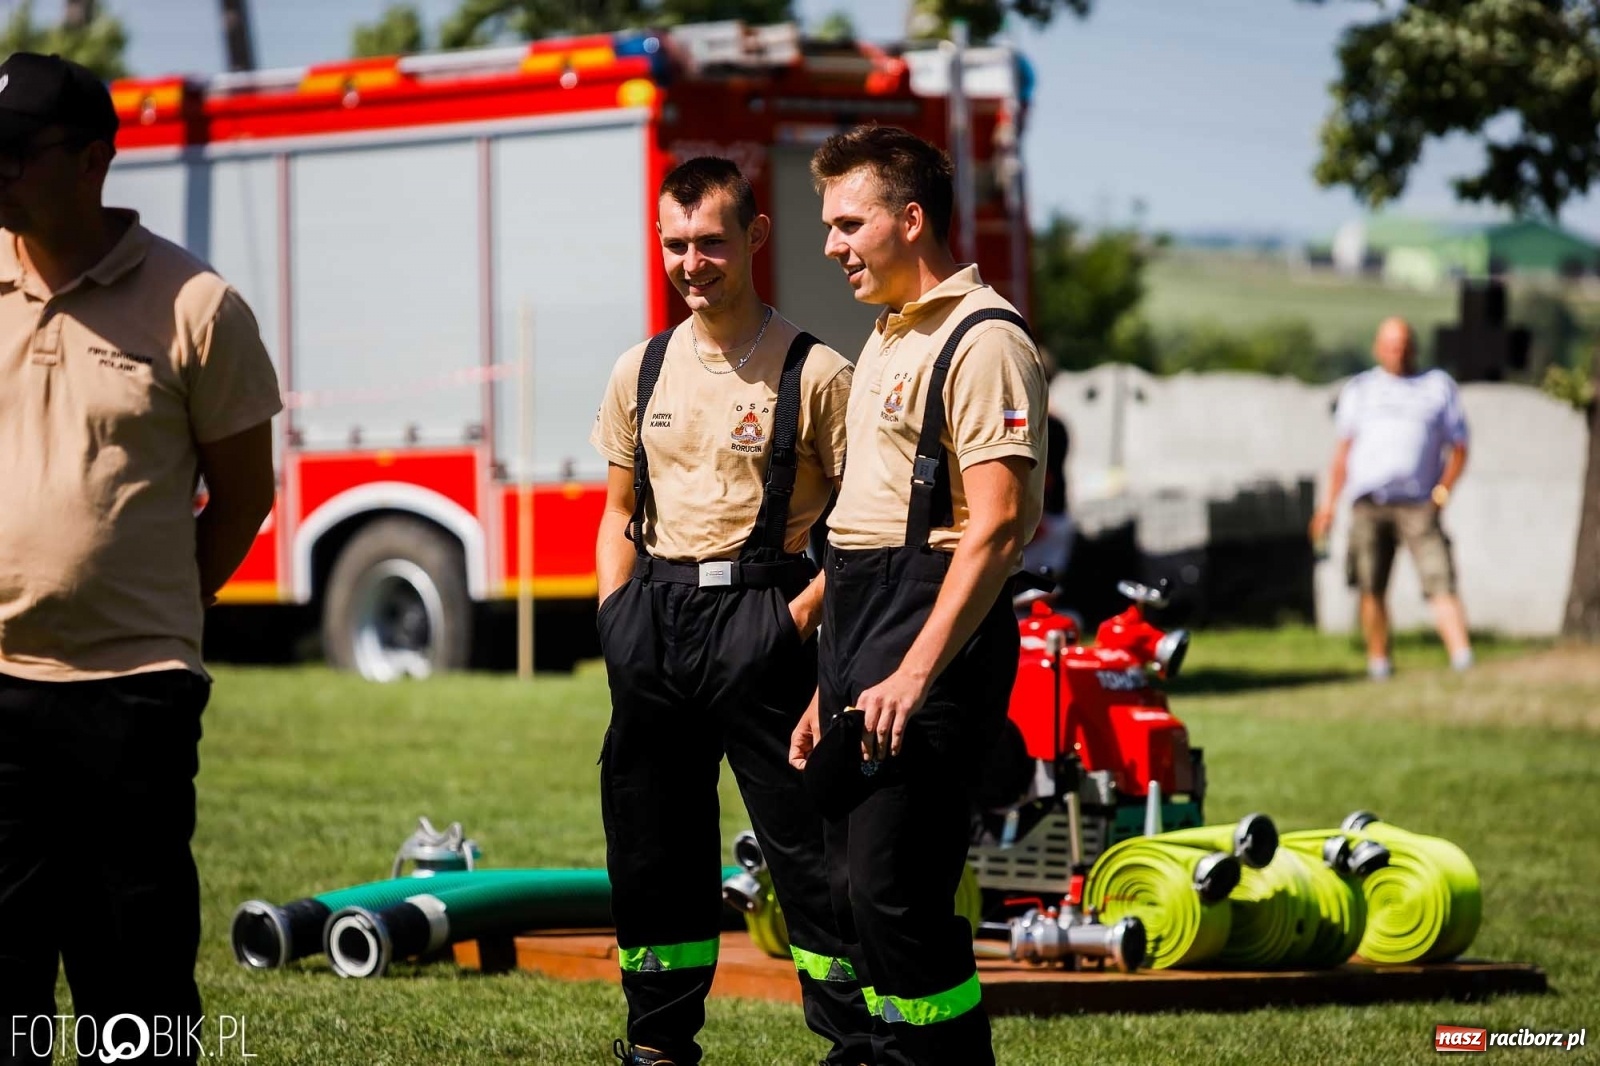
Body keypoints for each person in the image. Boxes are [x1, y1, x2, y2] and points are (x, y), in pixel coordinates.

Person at [0, 53, 280, 1064]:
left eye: (15, 155)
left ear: (91, 162)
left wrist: (161, 605)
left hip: (133, 692)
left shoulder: (197, 305)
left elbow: (245, 493)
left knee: (132, 969)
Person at [590, 157, 872, 1066]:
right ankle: (659, 1043)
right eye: (675, 245)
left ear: (752, 238)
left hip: (769, 620)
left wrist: (792, 621)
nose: (691, 262)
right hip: (657, 625)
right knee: (651, 852)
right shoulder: (641, 368)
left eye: (710, 242)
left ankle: (852, 1044)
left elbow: (868, 527)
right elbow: (615, 514)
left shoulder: (819, 371)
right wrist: (615, 617)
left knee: (812, 857)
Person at [790, 125, 1049, 1066]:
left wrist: (911, 672)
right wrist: (831, 684)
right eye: (829, 224)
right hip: (863, 628)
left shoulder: (986, 341)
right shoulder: (890, 335)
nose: (831, 244)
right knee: (844, 885)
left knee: (895, 888)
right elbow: (868, 519)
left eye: (848, 223)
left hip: (932, 636)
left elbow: (997, 526)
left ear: (911, 218)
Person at [1309, 316, 1472, 680]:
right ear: (1377, 349)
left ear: (1413, 347)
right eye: (1390, 344)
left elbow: (1460, 447)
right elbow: (1343, 454)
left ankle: (1462, 658)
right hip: (1370, 502)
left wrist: (1442, 492)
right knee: (1371, 584)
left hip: (1419, 503)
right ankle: (1379, 662)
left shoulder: (1437, 386)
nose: (1397, 351)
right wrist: (1328, 507)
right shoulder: (1361, 389)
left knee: (1439, 577)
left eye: (1403, 344)